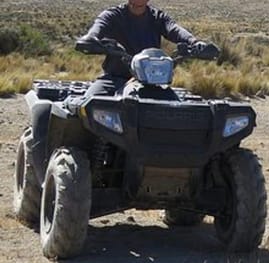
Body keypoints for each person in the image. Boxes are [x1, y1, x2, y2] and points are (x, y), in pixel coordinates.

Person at [29, 0, 205, 182]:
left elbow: (174, 29)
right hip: (115, 79)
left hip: (151, 84)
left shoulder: (157, 17)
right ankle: (72, 167)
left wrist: (194, 42)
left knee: (181, 115)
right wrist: (91, 38)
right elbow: (98, 27)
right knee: (84, 110)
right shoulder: (114, 15)